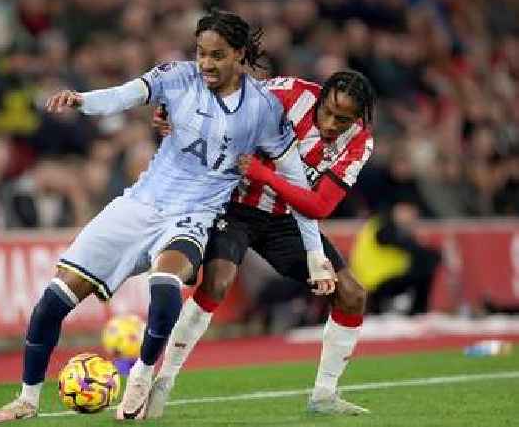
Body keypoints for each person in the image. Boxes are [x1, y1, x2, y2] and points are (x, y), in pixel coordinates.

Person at [0, 9, 334, 423]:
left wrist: (315, 254)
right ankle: (26, 399)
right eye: (201, 53)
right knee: (53, 299)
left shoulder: (263, 109)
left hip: (194, 214)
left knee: (165, 283)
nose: (205, 63)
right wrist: (83, 101)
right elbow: (127, 93)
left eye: (217, 55)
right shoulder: (178, 76)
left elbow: (297, 186)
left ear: (239, 55)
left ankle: (143, 375)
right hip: (139, 204)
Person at [146, 71, 376, 417]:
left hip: (288, 219)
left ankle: (324, 395)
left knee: (352, 294)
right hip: (234, 204)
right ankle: (162, 383)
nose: (330, 123)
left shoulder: (359, 142)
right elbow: (222, 101)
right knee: (218, 282)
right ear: (320, 96)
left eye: (342, 120)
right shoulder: (285, 95)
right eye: (326, 111)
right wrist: (175, 114)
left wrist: (264, 174)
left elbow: (319, 206)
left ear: (357, 118)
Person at [351, 201, 441, 315]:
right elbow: (400, 244)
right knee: (425, 267)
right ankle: (418, 311)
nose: (412, 217)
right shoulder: (383, 227)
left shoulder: (384, 225)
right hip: (376, 282)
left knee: (425, 263)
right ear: (397, 209)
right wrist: (431, 253)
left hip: (383, 279)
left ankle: (416, 310)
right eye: (409, 212)